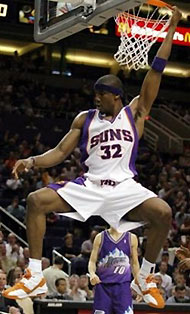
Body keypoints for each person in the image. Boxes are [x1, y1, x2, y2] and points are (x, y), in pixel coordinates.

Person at [3, 7, 182, 309]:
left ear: (116, 96)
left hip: (125, 187)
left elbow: (157, 69)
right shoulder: (85, 119)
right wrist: (32, 161)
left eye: (101, 94)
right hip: (90, 185)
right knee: (36, 200)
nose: (96, 98)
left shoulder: (135, 112)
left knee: (163, 212)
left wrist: (173, 25)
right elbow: (59, 153)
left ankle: (146, 277)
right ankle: (33, 275)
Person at [88, 227, 139, 314]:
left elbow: (135, 263)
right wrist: (92, 274)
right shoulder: (100, 237)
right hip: (103, 286)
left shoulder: (131, 237)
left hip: (123, 287)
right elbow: (92, 261)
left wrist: (139, 285)